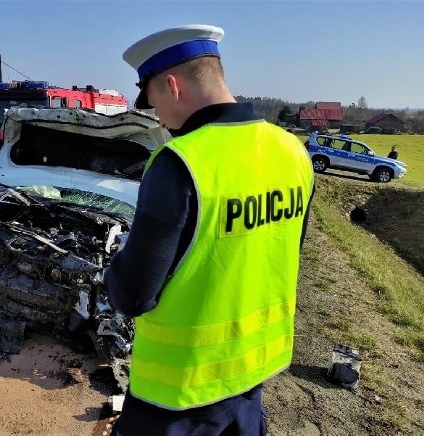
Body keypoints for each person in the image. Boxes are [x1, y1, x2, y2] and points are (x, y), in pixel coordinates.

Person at [105, 25, 316, 435]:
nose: (157, 117)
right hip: (252, 376)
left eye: (152, 103)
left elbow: (133, 294)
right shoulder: (292, 151)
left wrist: (114, 266)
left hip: (178, 394)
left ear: (171, 85)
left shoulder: (180, 161)